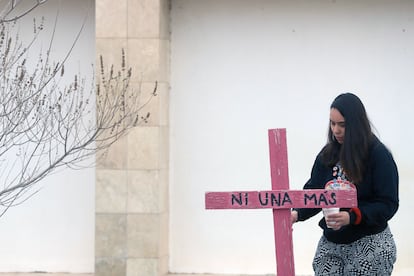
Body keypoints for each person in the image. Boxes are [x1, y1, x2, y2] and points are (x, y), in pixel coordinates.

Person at [291, 93, 399, 275]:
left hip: (370, 243)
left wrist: (353, 217)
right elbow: (314, 192)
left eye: (342, 125)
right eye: (332, 123)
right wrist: (296, 213)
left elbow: (388, 204)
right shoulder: (327, 155)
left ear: (357, 124)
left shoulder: (379, 155)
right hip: (332, 244)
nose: (336, 130)